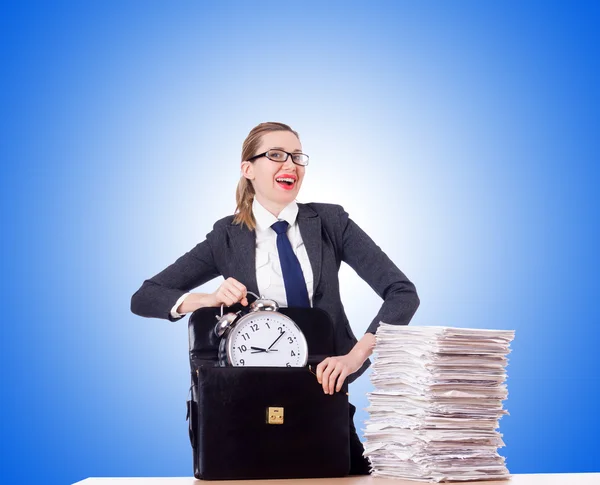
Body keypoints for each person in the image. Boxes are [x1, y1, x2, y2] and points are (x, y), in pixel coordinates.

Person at [130, 121, 420, 475]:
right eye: (277, 155)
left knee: (351, 475)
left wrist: (356, 355)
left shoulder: (331, 221)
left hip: (324, 391)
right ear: (248, 169)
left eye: (297, 157)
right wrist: (207, 299)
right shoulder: (227, 236)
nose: (291, 165)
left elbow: (402, 293)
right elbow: (145, 297)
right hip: (247, 401)